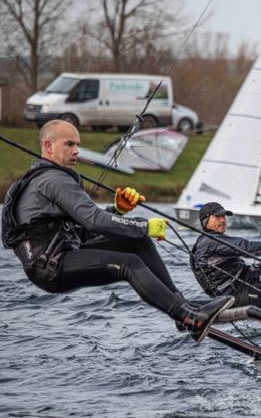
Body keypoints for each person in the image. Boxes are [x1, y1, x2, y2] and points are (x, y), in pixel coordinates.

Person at [1, 120, 232, 343]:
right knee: (128, 263)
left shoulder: (52, 179)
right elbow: (94, 220)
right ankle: (188, 317)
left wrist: (118, 210)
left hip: (63, 253)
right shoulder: (53, 180)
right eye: (69, 144)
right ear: (48, 146)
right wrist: (144, 225)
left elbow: (82, 230)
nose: (77, 151)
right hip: (51, 267)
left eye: (78, 144)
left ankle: (184, 310)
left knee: (136, 243)